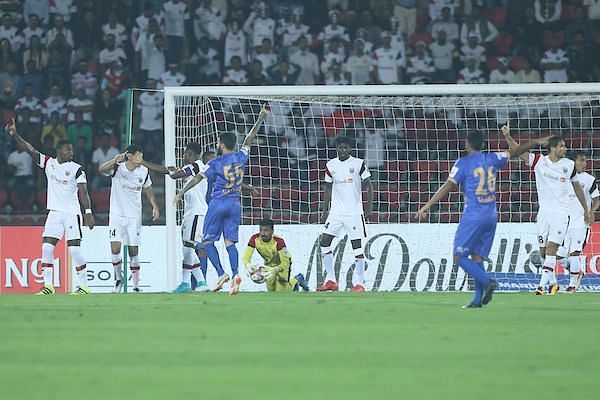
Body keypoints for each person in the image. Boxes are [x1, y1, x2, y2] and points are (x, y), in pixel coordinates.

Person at [416, 124, 551, 307]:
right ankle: (477, 300)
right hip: (491, 216)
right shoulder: (493, 158)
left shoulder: (463, 163)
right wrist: (535, 141)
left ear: (467, 144)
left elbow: (448, 186)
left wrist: (427, 205)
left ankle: (489, 282)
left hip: (473, 216)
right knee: (477, 258)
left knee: (459, 257)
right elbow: (517, 150)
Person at [174, 105, 270, 295]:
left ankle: (221, 273)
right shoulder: (241, 156)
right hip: (235, 203)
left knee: (206, 243)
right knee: (229, 243)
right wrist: (261, 117)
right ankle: (235, 275)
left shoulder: (215, 163)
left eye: (218, 142)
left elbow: (197, 178)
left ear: (221, 144)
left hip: (218, 203)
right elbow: (250, 138)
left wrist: (180, 192)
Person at [5, 118, 95, 295]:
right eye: (67, 149)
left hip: (71, 213)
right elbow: (29, 150)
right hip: (54, 213)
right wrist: (15, 134)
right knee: (47, 248)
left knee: (74, 249)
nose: (71, 152)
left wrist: (88, 212)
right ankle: (48, 286)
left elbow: (83, 192)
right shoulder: (49, 163)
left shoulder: (77, 168)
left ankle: (84, 286)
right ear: (59, 151)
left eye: (71, 149)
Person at [503, 128, 591, 296]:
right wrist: (508, 137)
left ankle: (541, 287)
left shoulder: (569, 165)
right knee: (543, 252)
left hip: (561, 214)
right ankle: (556, 281)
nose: (564, 149)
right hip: (544, 214)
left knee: (551, 249)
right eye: (561, 146)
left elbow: (577, 187)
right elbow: (519, 151)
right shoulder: (539, 161)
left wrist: (586, 210)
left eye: (565, 146)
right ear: (552, 148)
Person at [146, 143, 214, 293]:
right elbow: (173, 172)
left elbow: (174, 175)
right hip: (190, 213)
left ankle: (185, 283)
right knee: (188, 248)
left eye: (189, 154)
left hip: (197, 212)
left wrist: (169, 170)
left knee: (188, 248)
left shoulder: (197, 165)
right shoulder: (191, 168)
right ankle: (201, 282)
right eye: (185, 154)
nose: (185, 157)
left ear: (196, 155)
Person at [99, 144, 160, 293]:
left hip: (134, 216)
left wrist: (154, 205)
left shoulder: (144, 171)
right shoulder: (118, 168)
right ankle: (118, 279)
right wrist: (114, 160)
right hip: (116, 214)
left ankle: (136, 286)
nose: (141, 157)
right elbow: (101, 169)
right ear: (130, 156)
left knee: (133, 251)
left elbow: (149, 188)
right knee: (115, 248)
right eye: (139, 154)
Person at [316, 136, 374, 292]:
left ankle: (360, 283)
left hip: (354, 212)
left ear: (350, 149)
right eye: (340, 148)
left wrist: (368, 208)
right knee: (324, 241)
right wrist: (325, 211)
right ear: (337, 149)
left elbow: (369, 186)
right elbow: (328, 188)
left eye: (346, 148)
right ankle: (331, 281)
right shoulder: (330, 165)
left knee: (357, 246)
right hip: (335, 212)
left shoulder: (358, 164)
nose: (343, 150)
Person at [556, 151, 600, 292]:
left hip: (581, 222)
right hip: (564, 223)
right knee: (558, 256)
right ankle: (577, 272)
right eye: (581, 160)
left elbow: (596, 199)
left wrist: (592, 211)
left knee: (575, 253)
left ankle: (572, 284)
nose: (584, 163)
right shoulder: (563, 178)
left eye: (585, 161)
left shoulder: (589, 179)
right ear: (572, 162)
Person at [242, 218, 309, 292]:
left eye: (266, 230)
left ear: (272, 231)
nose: (262, 233)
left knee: (281, 292)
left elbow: (285, 263)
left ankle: (296, 280)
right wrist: (247, 265)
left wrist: (275, 270)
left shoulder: (279, 241)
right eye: (261, 230)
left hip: (282, 265)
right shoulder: (254, 239)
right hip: (268, 265)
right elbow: (246, 257)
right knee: (271, 291)